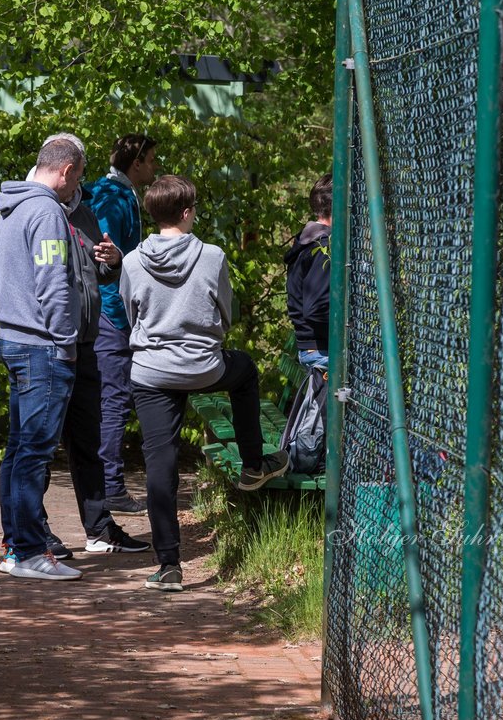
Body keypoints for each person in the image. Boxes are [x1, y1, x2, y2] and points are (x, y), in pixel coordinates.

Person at [120, 175, 289, 593]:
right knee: (245, 371)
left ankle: (170, 565)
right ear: (187, 212)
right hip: (203, 366)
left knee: (160, 464)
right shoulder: (212, 256)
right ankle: (254, 466)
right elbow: (225, 311)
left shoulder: (130, 262)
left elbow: (130, 313)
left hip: (152, 372)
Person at [0, 135, 87, 581]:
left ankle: (15, 547)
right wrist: (65, 338)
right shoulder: (47, 210)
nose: (76, 190)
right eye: (78, 179)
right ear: (66, 171)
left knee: (18, 450)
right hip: (42, 346)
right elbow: (53, 283)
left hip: (12, 338)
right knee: (33, 453)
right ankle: (29, 551)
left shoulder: (10, 207)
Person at [83, 134, 158, 515]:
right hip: (112, 314)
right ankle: (111, 487)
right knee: (114, 401)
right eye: (152, 160)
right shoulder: (112, 196)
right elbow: (108, 257)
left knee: (109, 400)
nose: (156, 167)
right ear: (138, 161)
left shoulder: (103, 189)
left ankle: (106, 484)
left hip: (106, 312)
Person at [285, 174, 333, 370]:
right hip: (322, 352)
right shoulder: (323, 248)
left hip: (313, 348)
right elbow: (316, 309)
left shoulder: (309, 240)